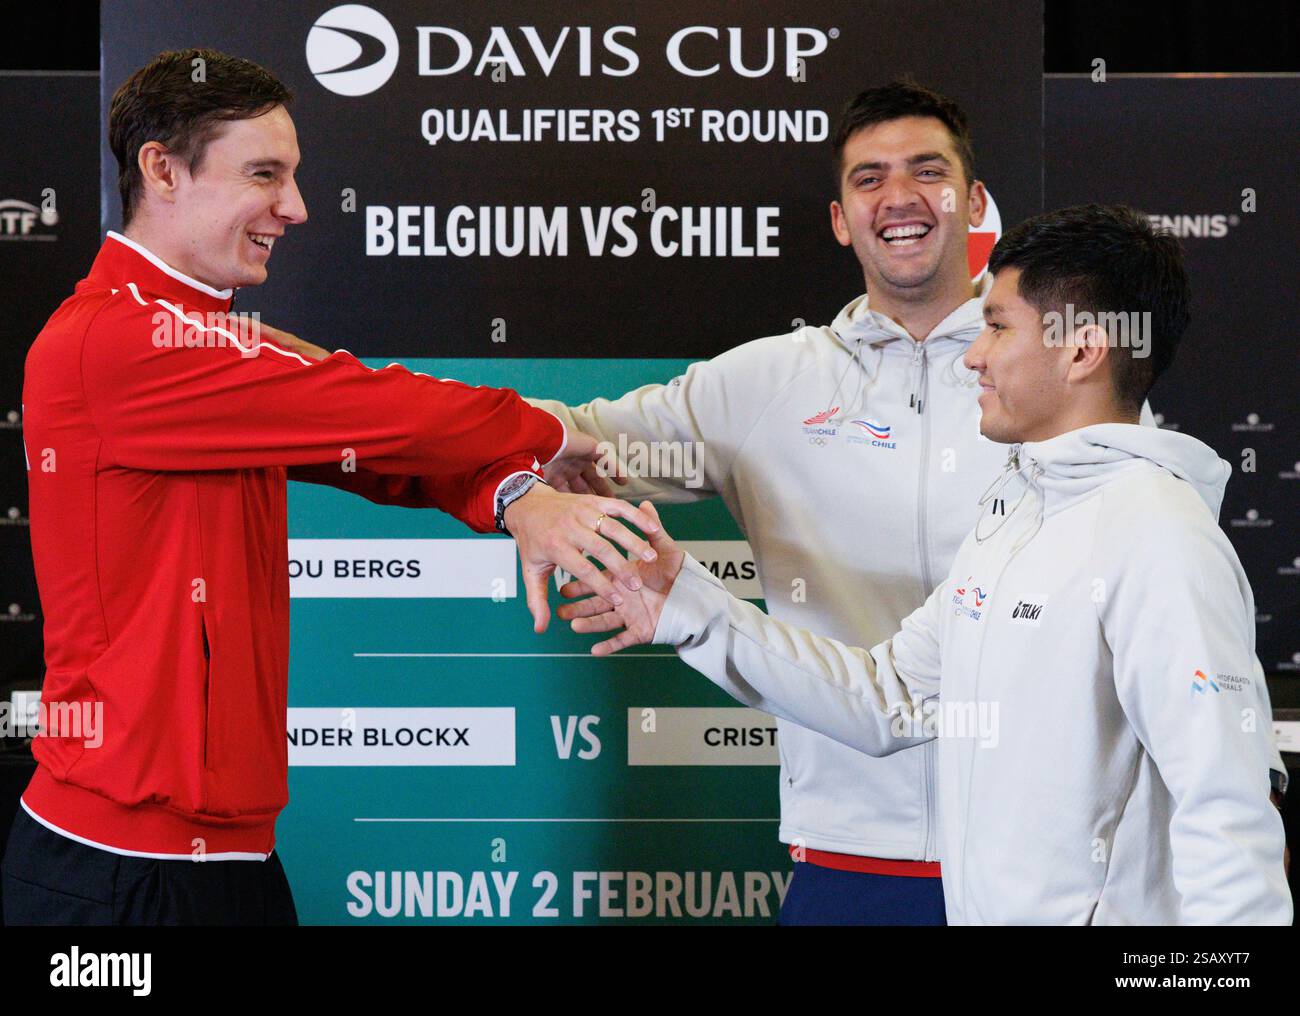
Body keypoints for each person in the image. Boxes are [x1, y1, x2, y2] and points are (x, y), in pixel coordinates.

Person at [1, 48, 659, 926]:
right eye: (265, 175)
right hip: (118, 873)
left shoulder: (208, 339)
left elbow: (375, 452)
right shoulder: (121, 343)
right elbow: (376, 405)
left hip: (232, 861)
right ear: (162, 168)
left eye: (295, 177)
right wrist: (552, 431)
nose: (296, 208)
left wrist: (515, 495)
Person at [559, 204, 1292, 924]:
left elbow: (1227, 809)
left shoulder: (1158, 533)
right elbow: (888, 696)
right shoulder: (1013, 520)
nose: (972, 353)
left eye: (998, 326)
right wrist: (684, 606)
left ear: (1082, 349)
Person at [535, 80, 1153, 924]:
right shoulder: (767, 384)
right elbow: (570, 439)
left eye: (926, 172)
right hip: (852, 861)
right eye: (869, 179)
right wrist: (347, 389)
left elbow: (1157, 610)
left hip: (1053, 865)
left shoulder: (1064, 376)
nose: (898, 197)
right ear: (840, 218)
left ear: (973, 203)